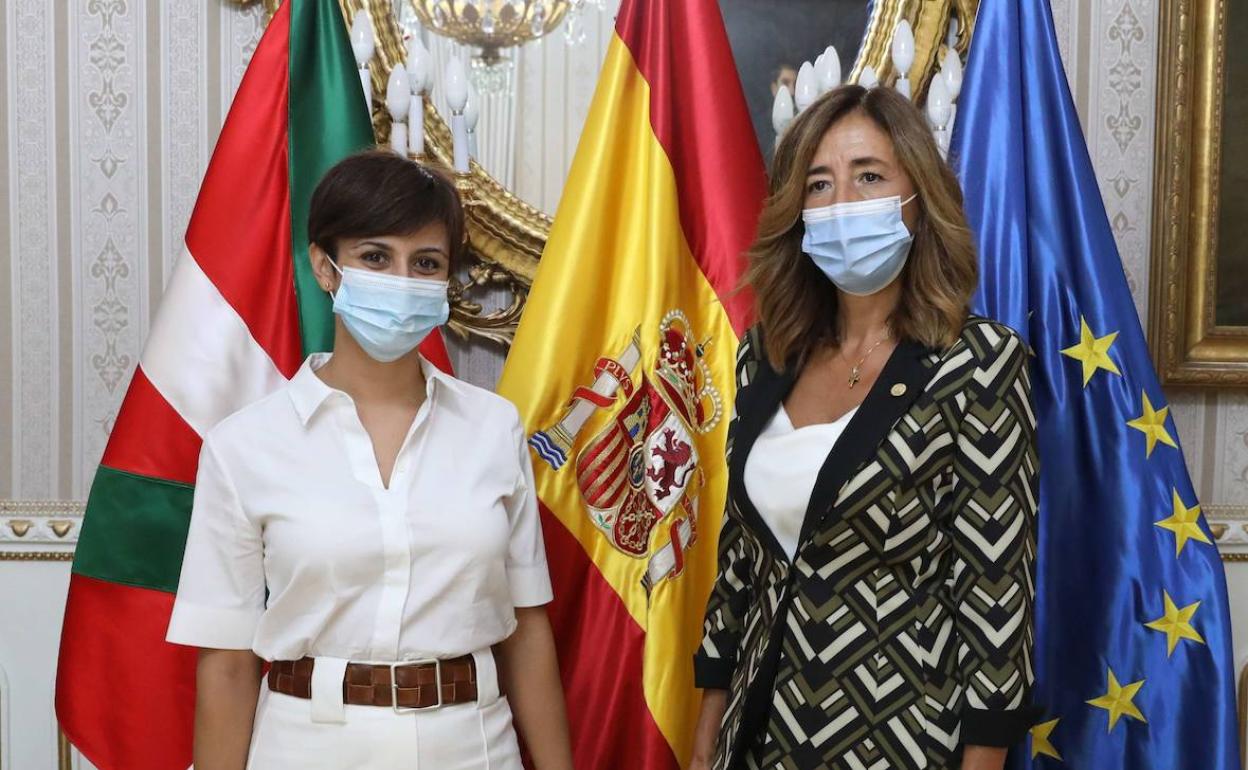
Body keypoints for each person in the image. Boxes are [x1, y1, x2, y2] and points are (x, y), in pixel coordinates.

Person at [166, 150, 574, 770]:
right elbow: (225, 664)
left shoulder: (494, 429)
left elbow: (527, 632)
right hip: (305, 746)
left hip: (471, 746)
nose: (402, 281)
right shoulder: (243, 446)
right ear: (324, 267)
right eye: (376, 257)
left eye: (426, 263)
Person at [690, 85, 1039, 770]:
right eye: (819, 184)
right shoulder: (767, 353)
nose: (842, 204)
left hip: (903, 745)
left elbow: (997, 607)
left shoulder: (980, 363)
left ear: (918, 198)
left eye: (869, 176)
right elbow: (738, 572)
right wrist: (706, 745)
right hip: (756, 740)